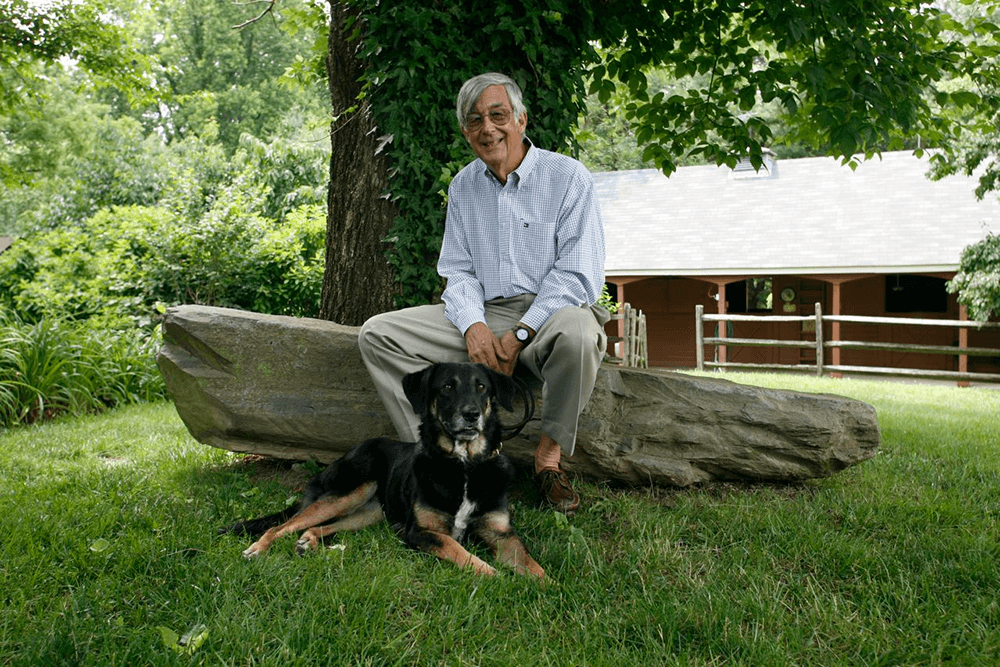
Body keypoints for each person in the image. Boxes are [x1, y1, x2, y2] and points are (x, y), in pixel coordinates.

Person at [358, 72, 607, 515]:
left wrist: (521, 334)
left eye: (498, 115)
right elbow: (457, 272)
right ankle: (432, 458)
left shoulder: (568, 177)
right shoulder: (463, 186)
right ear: (466, 132)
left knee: (581, 337)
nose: (488, 128)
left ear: (521, 119)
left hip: (552, 311)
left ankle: (549, 461)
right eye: (475, 121)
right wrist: (474, 325)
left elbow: (575, 274)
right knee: (379, 334)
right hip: (486, 312)